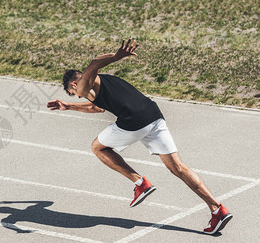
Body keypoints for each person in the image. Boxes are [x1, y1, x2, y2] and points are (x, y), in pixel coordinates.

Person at [46, 39, 232, 235]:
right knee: (178, 167)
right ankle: (217, 209)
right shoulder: (104, 83)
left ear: (75, 84)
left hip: (133, 122)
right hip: (153, 116)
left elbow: (94, 63)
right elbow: (98, 107)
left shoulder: (83, 85)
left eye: (73, 93)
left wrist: (117, 57)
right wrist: (68, 106)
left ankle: (140, 183)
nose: (77, 96)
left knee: (97, 147)